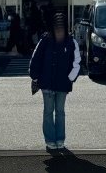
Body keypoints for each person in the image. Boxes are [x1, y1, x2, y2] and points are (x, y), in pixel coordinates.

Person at [29, 12, 80, 151]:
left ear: (65, 27)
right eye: (56, 27)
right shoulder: (45, 39)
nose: (59, 30)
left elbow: (77, 62)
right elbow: (36, 58)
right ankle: (51, 140)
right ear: (52, 27)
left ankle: (60, 140)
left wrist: (70, 78)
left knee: (59, 112)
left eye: (61, 27)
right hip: (46, 83)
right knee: (48, 112)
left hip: (62, 84)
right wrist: (34, 76)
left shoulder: (71, 42)